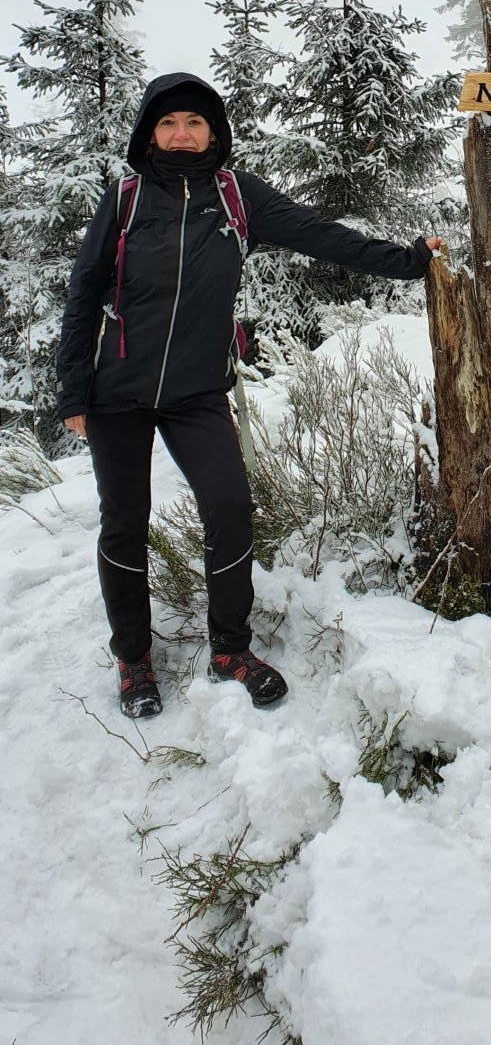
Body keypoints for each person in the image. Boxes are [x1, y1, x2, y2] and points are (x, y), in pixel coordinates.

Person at [57, 73, 441, 719]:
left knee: (230, 506)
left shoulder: (237, 197)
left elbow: (321, 235)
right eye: (168, 123)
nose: (182, 134)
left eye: (194, 122)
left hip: (197, 393)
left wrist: (405, 260)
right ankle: (134, 659)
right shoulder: (124, 199)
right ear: (150, 134)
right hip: (117, 392)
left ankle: (230, 649)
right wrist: (73, 391)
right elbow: (83, 293)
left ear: (214, 132)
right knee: (123, 522)